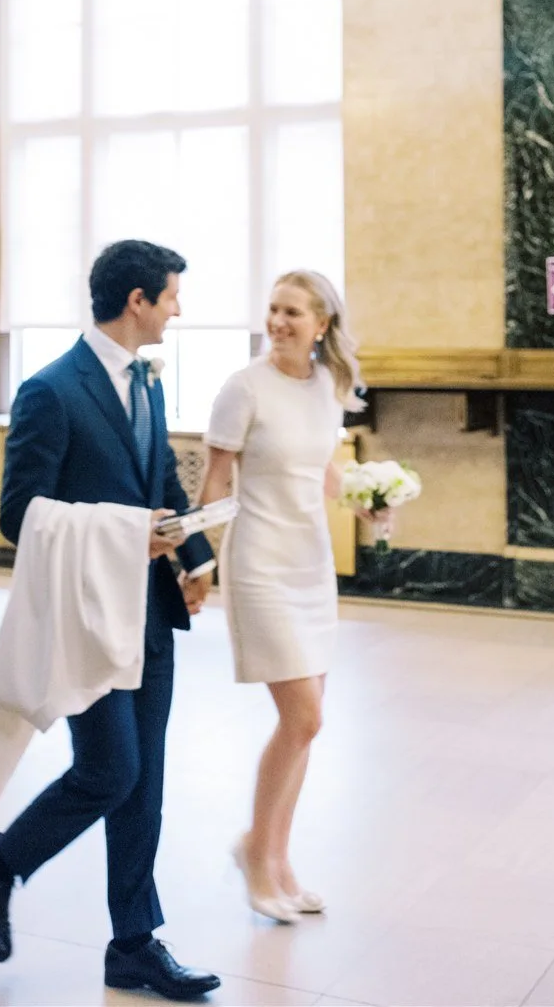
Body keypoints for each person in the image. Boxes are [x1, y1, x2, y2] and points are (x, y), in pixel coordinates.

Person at [0, 239, 222, 1002]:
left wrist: (199, 559)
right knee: (110, 770)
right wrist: (120, 532)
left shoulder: (149, 383)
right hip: (89, 617)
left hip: (147, 607)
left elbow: (160, 488)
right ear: (138, 300)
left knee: (143, 785)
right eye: (173, 296)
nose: (179, 309)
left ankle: (134, 946)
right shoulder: (51, 390)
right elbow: (21, 514)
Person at [199, 269, 367, 923]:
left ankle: (277, 859)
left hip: (309, 562)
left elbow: (321, 465)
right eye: (273, 309)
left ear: (321, 324)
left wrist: (367, 502)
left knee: (304, 730)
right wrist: (199, 565)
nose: (278, 322)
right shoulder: (242, 388)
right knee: (305, 718)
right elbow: (215, 483)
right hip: (261, 563)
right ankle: (255, 854)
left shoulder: (328, 384)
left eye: (292, 312)